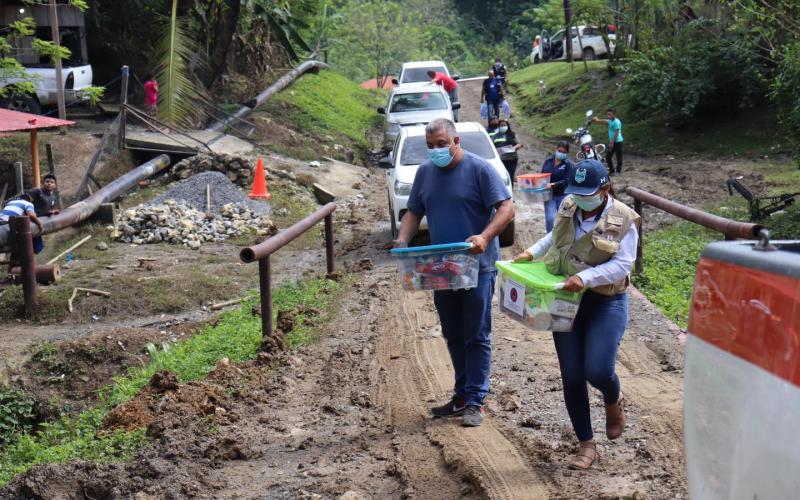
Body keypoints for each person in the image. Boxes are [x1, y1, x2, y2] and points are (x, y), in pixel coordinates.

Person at [513, 159, 638, 470]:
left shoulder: (624, 219)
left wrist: (586, 278)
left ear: (605, 188)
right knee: (571, 374)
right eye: (577, 192)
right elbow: (555, 238)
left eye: (588, 193)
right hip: (566, 298)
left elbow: (623, 265)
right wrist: (531, 253)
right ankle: (586, 444)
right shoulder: (568, 205)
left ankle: (613, 399)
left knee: (597, 370)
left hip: (604, 301)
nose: (581, 198)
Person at [394, 118, 514, 427]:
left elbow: (506, 208)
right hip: (441, 268)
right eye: (430, 146)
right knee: (452, 332)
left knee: (476, 333)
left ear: (456, 141)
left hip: (478, 265)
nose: (436, 150)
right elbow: (414, 211)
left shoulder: (479, 169)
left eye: (442, 144)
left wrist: (485, 237)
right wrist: (402, 239)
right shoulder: (424, 173)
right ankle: (461, 395)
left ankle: (475, 400)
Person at [541, 140, 573, 232]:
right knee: (550, 218)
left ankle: (562, 239)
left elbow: (567, 180)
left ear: (567, 153)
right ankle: (549, 240)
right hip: (549, 195)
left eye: (564, 152)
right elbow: (542, 175)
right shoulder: (548, 160)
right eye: (560, 151)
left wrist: (553, 184)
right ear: (556, 150)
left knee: (564, 219)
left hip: (563, 195)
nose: (561, 153)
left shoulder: (568, 164)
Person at [28, 174, 60, 254]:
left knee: (38, 248)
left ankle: (26, 263)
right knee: (29, 245)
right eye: (47, 182)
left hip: (39, 222)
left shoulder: (54, 197)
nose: (49, 183)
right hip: (30, 220)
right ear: (43, 183)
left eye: (51, 182)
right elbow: (25, 201)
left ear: (55, 185)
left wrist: (50, 212)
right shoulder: (37, 192)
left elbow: (46, 209)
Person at [592, 108, 623, 174]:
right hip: (613, 141)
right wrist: (597, 120)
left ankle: (618, 171)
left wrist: (612, 142)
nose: (608, 116)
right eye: (608, 114)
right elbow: (604, 121)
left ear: (614, 115)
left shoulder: (616, 122)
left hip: (617, 142)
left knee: (618, 156)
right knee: (608, 156)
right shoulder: (610, 121)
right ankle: (611, 171)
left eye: (610, 114)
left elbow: (616, 133)